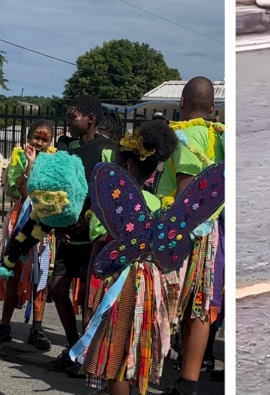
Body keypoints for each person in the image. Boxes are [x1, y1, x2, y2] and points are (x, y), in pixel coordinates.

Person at [79, 120, 179, 395]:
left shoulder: (115, 209)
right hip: (147, 287)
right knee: (133, 347)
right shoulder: (158, 204)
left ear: (125, 170)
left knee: (116, 355)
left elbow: (99, 244)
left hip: (119, 285)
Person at [159, 77, 224, 395]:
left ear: (181, 103)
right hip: (210, 232)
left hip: (185, 231)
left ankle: (143, 371)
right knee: (199, 305)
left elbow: (185, 191)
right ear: (213, 107)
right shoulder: (219, 135)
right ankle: (188, 382)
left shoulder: (185, 136)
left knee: (169, 301)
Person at [46, 96, 114, 376]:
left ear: (90, 119)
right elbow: (53, 186)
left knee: (87, 298)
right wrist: (57, 223)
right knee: (58, 291)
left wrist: (89, 219)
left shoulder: (107, 149)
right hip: (66, 237)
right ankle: (74, 347)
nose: (67, 121)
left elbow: (110, 191)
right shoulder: (64, 147)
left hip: (92, 238)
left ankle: (87, 357)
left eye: (72, 116)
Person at [0, 119, 55, 352]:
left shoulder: (55, 160)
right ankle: (5, 325)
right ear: (28, 137)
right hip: (21, 222)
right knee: (14, 271)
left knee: (41, 274)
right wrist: (30, 165)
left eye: (45, 139)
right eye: (37, 137)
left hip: (45, 225)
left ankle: (37, 327)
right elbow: (23, 192)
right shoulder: (19, 157)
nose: (40, 142)